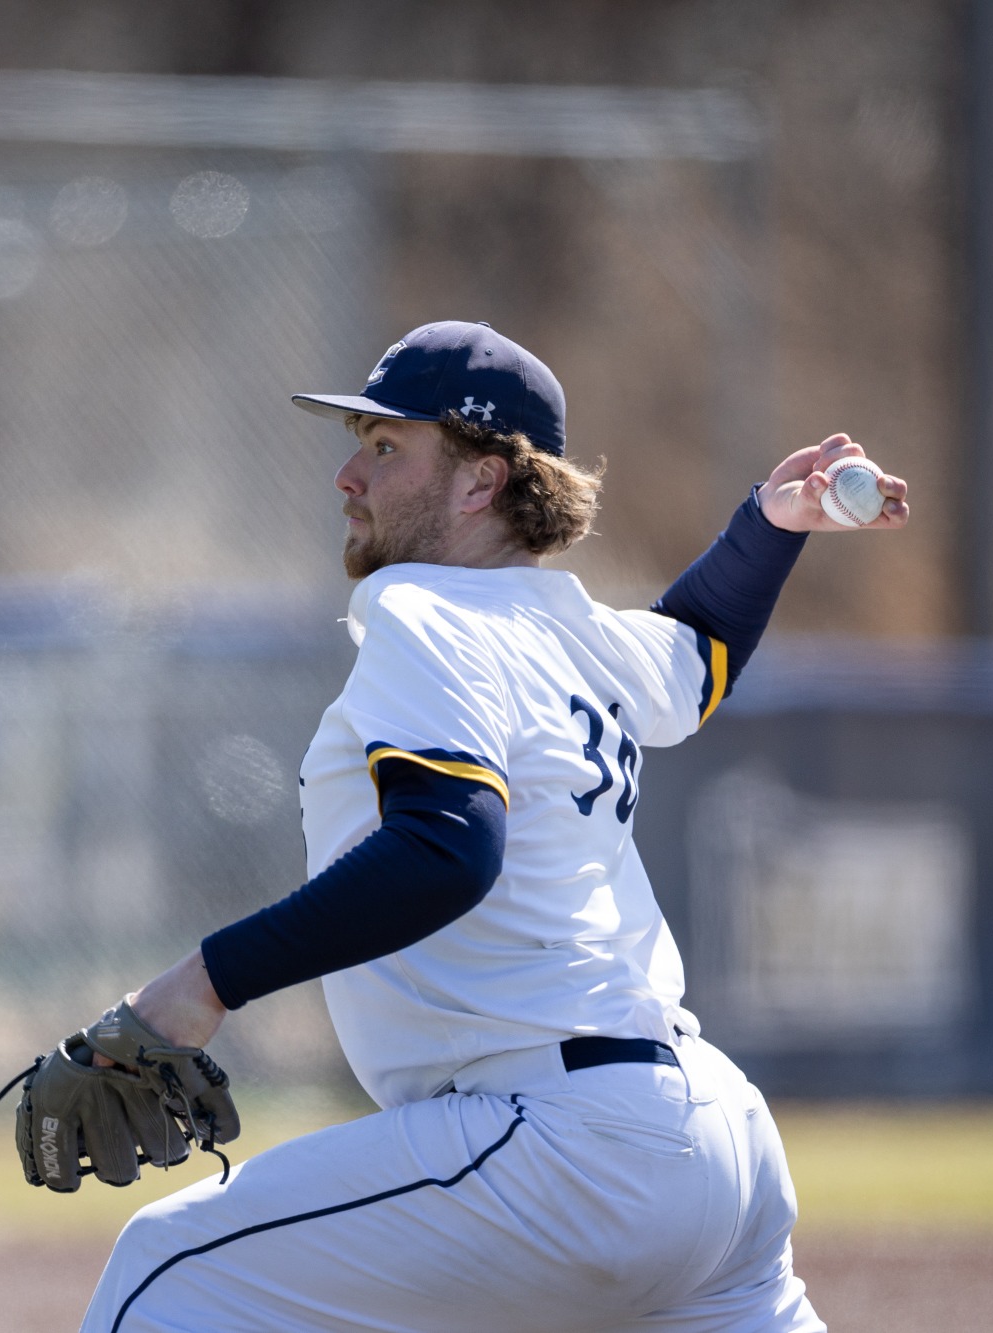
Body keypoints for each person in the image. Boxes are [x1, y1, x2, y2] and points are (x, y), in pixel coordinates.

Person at [75, 320, 908, 1332]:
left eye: (387, 447)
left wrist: (199, 987)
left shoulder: (424, 611)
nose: (348, 473)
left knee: (167, 1271)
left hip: (562, 1148)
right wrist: (770, 525)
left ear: (478, 482)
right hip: (715, 1147)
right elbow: (696, 653)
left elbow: (446, 848)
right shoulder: (570, 629)